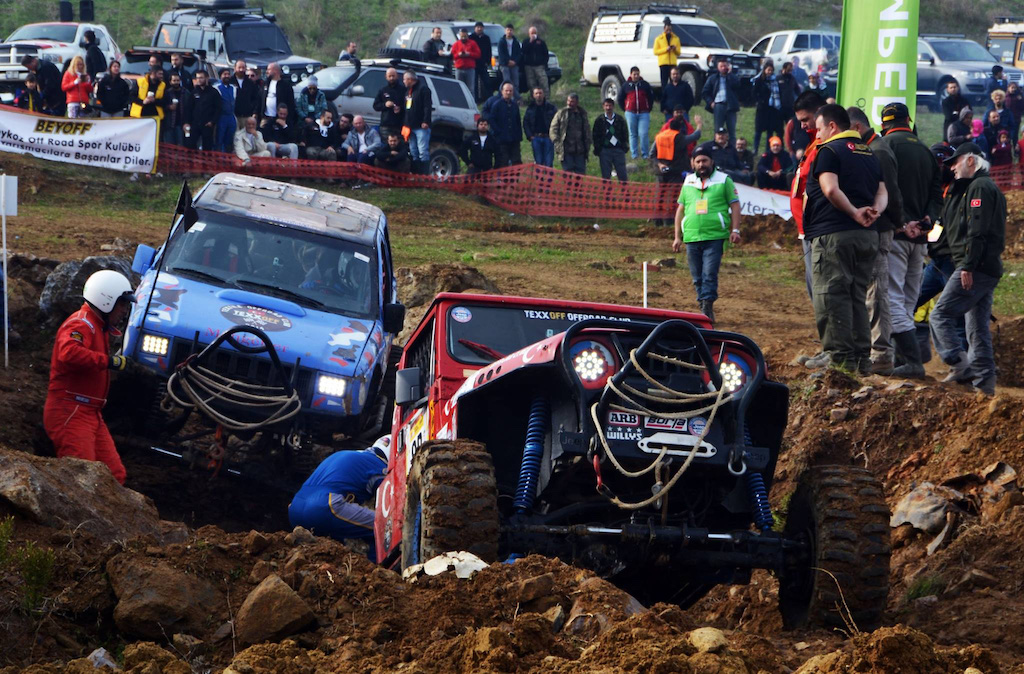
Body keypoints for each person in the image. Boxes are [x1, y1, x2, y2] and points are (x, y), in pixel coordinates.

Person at [802, 104, 887, 373]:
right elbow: (883, 192)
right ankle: (862, 360)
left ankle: (840, 363)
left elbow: (829, 189)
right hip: (867, 235)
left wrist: (853, 212)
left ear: (832, 126)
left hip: (834, 234)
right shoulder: (869, 152)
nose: (817, 136)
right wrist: (873, 212)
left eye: (819, 129)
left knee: (831, 296)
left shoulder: (829, 151)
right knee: (856, 296)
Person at [44, 270, 136, 485]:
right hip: (71, 410)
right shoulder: (81, 324)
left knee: (114, 477)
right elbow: (69, 353)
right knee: (82, 480)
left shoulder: (97, 326)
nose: (124, 310)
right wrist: (110, 361)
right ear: (106, 300)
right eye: (121, 304)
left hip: (89, 411)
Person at [931, 142, 1005, 395]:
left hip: (977, 267)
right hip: (987, 267)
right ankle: (985, 389)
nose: (951, 167)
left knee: (939, 315)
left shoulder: (979, 187)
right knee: (976, 329)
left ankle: (960, 365)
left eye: (955, 162)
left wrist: (967, 266)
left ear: (971, 161)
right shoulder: (983, 186)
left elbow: (977, 231)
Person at [847, 105, 903, 376]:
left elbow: (890, 191)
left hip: (879, 226)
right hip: (870, 226)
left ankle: (881, 352)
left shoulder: (878, 150)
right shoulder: (868, 148)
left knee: (877, 290)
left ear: (857, 127)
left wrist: (897, 221)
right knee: (867, 290)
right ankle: (869, 348)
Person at [671, 143, 741, 322]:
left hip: (715, 236)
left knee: (709, 274)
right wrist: (677, 237)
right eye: (698, 161)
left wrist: (735, 229)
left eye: (705, 160)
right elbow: (680, 209)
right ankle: (702, 303)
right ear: (692, 163)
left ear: (712, 161)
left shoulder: (724, 180)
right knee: (697, 277)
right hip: (692, 236)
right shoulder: (688, 181)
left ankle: (707, 306)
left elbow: (735, 205)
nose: (702, 164)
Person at [288, 439, 389, 560]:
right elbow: (391, 495)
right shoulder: (379, 465)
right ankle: (381, 569)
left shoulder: (345, 455)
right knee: (386, 527)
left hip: (295, 509)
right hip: (325, 506)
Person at [790, 89, 827, 311]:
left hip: (815, 228)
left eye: (806, 120)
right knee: (813, 285)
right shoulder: (813, 142)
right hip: (806, 227)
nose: (802, 125)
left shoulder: (825, 145)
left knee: (820, 286)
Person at [654, 113, 702, 226]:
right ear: (680, 128)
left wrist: (659, 164)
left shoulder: (659, 136)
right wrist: (699, 125)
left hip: (660, 170)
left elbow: (652, 154)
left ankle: (657, 221)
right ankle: (669, 221)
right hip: (675, 171)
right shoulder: (679, 137)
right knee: (672, 195)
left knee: (659, 195)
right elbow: (695, 136)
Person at [483, 82, 523, 167]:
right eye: (506, 91)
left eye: (510, 91)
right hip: (501, 139)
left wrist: (519, 136)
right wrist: (498, 132)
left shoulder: (515, 105)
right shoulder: (496, 105)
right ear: (502, 91)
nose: (508, 93)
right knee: (503, 161)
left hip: (514, 139)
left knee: (516, 161)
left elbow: (518, 121)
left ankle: (514, 179)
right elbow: (492, 119)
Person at [618, 66, 654, 160]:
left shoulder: (645, 85)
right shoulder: (626, 85)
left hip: (643, 113)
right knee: (633, 134)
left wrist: (647, 108)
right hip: (631, 113)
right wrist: (626, 109)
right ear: (631, 74)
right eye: (634, 74)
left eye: (638, 74)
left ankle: (645, 154)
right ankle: (634, 154)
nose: (636, 76)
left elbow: (650, 98)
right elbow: (620, 99)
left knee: (643, 133)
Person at [550, 92, 591, 174]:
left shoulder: (582, 114)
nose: (569, 103)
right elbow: (553, 129)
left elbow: (587, 130)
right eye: (568, 101)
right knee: (567, 175)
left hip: (580, 150)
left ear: (577, 102)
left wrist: (588, 142)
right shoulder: (561, 113)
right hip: (566, 150)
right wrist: (557, 143)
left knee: (580, 175)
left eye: (572, 101)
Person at [701, 59, 740, 142]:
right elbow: (705, 92)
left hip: (731, 106)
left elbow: (737, 86)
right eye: (721, 66)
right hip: (718, 105)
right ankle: (717, 149)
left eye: (725, 66)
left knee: (731, 131)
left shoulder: (733, 77)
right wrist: (710, 102)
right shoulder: (713, 78)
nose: (723, 68)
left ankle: (731, 151)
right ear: (718, 68)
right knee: (718, 130)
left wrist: (730, 74)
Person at [182, 70, 221, 151]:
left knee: (207, 148)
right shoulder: (194, 92)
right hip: (195, 124)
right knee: (190, 145)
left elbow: (218, 108)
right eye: (197, 78)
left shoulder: (214, 92)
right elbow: (188, 109)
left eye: (201, 78)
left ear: (207, 78)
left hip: (207, 124)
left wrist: (212, 122)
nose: (199, 80)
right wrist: (186, 122)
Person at [403, 70, 433, 175]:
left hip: (421, 126)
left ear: (411, 79)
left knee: (422, 151)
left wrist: (426, 121)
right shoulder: (408, 92)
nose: (403, 82)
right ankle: (416, 174)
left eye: (405, 79)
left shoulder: (423, 89)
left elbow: (427, 107)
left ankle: (424, 175)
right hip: (410, 127)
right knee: (413, 151)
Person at [593, 97, 628, 182]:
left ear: (613, 106)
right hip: (605, 150)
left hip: (618, 150)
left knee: (622, 174)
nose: (608, 108)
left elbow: (625, 134)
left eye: (610, 106)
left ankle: (625, 194)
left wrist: (623, 147)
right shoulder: (599, 120)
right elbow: (595, 135)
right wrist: (599, 148)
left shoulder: (619, 119)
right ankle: (607, 194)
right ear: (603, 107)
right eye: (606, 106)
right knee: (605, 175)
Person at [751, 61, 783, 154]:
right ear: (764, 70)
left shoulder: (774, 81)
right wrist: (759, 101)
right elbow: (753, 93)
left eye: (771, 70)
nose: (770, 72)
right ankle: (755, 149)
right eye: (768, 70)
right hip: (761, 109)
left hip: (772, 109)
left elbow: (778, 93)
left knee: (770, 131)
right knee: (758, 131)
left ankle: (768, 150)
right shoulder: (758, 80)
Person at [523, 87, 556, 167]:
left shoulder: (551, 107)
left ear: (543, 94)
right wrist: (530, 136)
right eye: (536, 93)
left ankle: (549, 180)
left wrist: (554, 136)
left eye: (540, 93)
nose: (538, 95)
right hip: (536, 138)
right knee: (538, 162)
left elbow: (556, 122)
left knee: (549, 162)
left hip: (548, 138)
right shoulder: (530, 108)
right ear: (533, 95)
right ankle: (538, 179)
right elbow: (525, 122)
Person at [372, 68, 404, 140]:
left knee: (400, 147)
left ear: (397, 76)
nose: (392, 78)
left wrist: (400, 108)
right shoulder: (383, 90)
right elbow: (375, 106)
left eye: (393, 76)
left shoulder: (404, 90)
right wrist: (385, 105)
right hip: (386, 125)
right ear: (386, 77)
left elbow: (409, 105)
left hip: (400, 125)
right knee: (386, 146)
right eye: (389, 76)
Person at [451, 27, 481, 97]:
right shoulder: (456, 44)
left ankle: (471, 104)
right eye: (462, 36)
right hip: (459, 69)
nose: (463, 38)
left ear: (467, 35)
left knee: (470, 89)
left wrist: (469, 54)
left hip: (470, 69)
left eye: (465, 36)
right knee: (459, 87)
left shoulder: (473, 43)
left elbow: (478, 54)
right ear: (459, 36)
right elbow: (452, 56)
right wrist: (458, 55)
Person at [653, 17, 682, 89]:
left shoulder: (676, 38)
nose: (668, 31)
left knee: (674, 81)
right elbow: (655, 51)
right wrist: (665, 49)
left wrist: (674, 49)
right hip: (663, 63)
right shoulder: (659, 39)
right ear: (664, 29)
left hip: (672, 63)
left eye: (670, 29)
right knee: (664, 82)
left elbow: (678, 53)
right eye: (667, 29)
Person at [232, 59, 260, 130]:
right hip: (234, 116)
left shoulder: (250, 83)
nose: (241, 70)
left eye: (243, 67)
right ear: (235, 68)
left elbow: (256, 98)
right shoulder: (230, 82)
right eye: (239, 67)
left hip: (247, 116)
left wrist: (254, 112)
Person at [522, 26, 549, 99]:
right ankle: (533, 98)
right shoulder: (526, 41)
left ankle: (546, 98)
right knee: (531, 83)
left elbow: (546, 53)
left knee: (543, 81)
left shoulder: (541, 42)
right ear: (529, 34)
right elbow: (524, 51)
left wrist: (544, 63)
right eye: (531, 33)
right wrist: (530, 42)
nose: (533, 34)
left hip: (539, 66)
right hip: (529, 66)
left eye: (534, 33)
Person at [469, 22, 493, 102]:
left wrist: (488, 61)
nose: (479, 29)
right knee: (474, 83)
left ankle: (490, 99)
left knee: (487, 82)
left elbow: (489, 50)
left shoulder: (486, 38)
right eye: (478, 27)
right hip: (473, 63)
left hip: (483, 63)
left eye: (481, 27)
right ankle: (475, 100)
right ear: (475, 28)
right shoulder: (471, 37)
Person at [215, 69, 237, 152]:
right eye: (225, 74)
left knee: (230, 138)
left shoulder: (233, 88)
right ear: (220, 76)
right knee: (220, 138)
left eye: (228, 74)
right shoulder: (216, 87)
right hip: (221, 117)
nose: (227, 76)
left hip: (231, 117)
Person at [162, 73, 185, 145]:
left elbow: (189, 108)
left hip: (181, 124)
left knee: (181, 146)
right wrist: (169, 107)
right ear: (170, 82)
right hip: (169, 124)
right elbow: (161, 106)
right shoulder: (166, 93)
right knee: (169, 146)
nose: (176, 82)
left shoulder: (185, 93)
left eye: (178, 80)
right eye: (174, 80)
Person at [497, 24, 522, 92]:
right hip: (504, 65)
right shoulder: (501, 41)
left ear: (513, 31)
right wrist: (507, 61)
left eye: (511, 30)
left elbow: (519, 54)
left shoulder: (516, 42)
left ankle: (516, 99)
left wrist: (515, 62)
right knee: (506, 82)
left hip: (514, 65)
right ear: (505, 31)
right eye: (508, 30)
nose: (509, 31)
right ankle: (503, 96)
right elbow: (501, 54)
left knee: (515, 83)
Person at [777, 61, 800, 126]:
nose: (790, 71)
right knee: (779, 126)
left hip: (790, 106)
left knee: (791, 125)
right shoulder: (778, 78)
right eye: (789, 69)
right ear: (784, 68)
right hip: (780, 106)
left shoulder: (792, 78)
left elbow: (797, 90)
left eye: (791, 70)